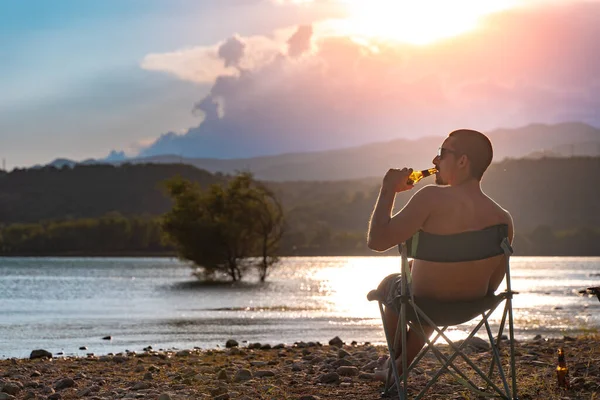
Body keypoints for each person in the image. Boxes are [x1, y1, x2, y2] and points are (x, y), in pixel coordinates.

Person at [366, 129, 514, 382]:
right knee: (423, 287)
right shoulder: (503, 219)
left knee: (392, 284)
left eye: (441, 153)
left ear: (462, 161)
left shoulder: (430, 198)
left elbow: (377, 241)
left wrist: (388, 189)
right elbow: (492, 284)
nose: (434, 161)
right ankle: (397, 366)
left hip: (423, 306)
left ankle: (395, 365)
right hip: (473, 307)